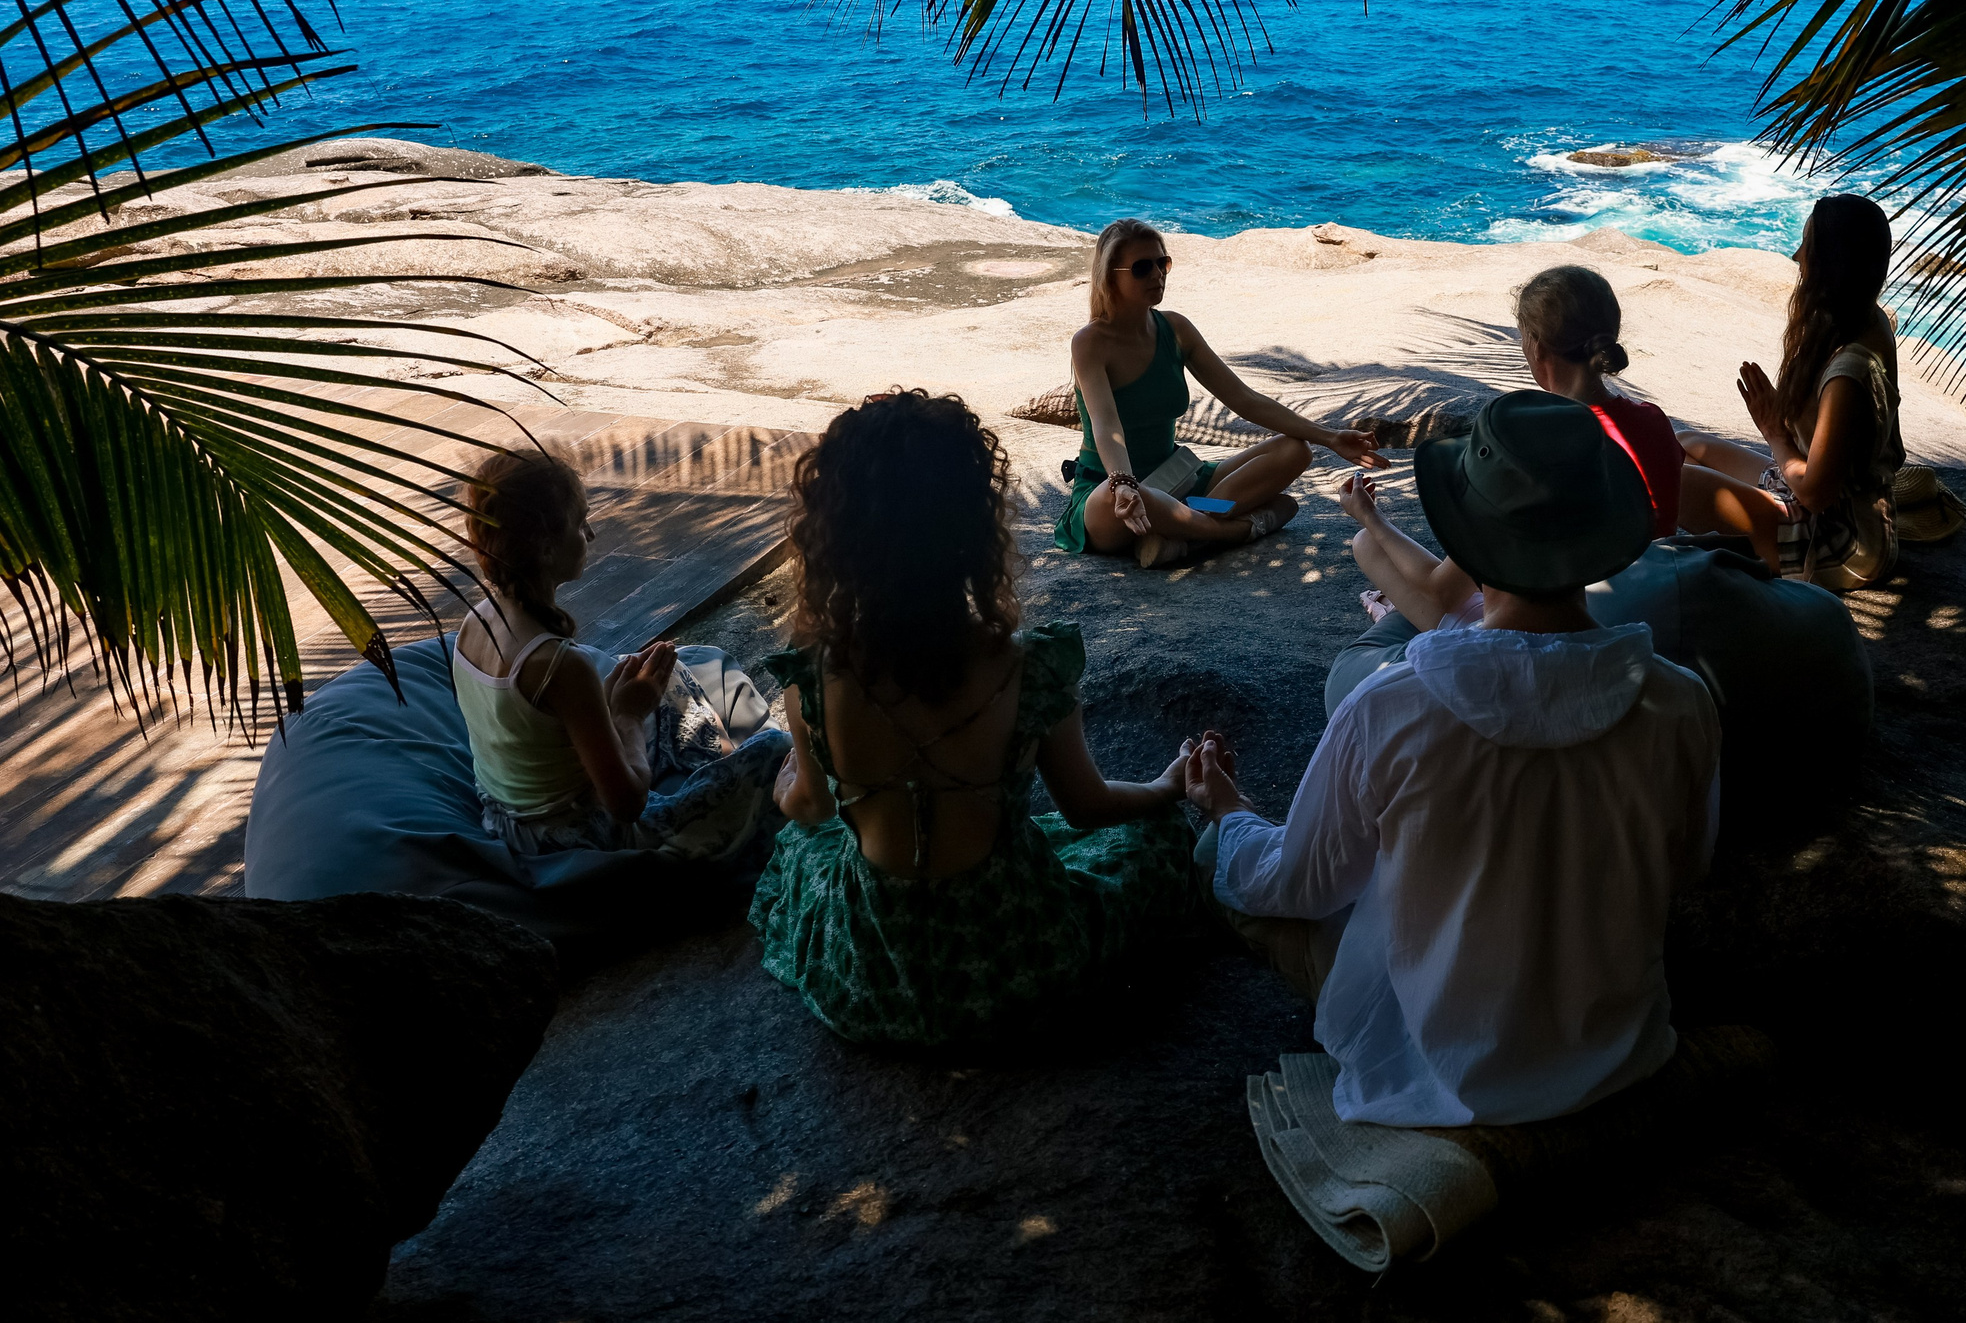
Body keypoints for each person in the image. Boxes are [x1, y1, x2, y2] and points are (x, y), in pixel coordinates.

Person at [1185, 389, 1721, 1126]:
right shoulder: (1682, 700)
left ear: (1465, 545)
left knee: (1223, 858)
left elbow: (1302, 886)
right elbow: (1686, 867)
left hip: (1437, 1068)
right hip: (1618, 1052)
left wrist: (1233, 815)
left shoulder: (1388, 708)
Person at [752, 391, 1206, 1047]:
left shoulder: (814, 674)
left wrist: (785, 781)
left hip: (870, 974)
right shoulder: (1028, 665)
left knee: (800, 848)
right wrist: (1167, 789)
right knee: (1155, 841)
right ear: (971, 530)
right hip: (1015, 960)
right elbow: (1087, 806)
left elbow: (811, 809)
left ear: (835, 535)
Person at [452, 450, 787, 858]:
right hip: (572, 835)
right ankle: (720, 781)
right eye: (580, 524)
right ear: (544, 547)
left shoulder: (476, 619)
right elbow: (627, 805)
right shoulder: (559, 666)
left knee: (672, 666)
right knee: (775, 752)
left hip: (502, 816)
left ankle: (710, 762)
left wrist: (618, 709)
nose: (590, 535)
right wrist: (626, 716)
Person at [1333, 262, 1683, 635]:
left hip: (1574, 623)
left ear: (1537, 345)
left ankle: (1398, 614)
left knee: (1368, 543)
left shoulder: (1533, 445)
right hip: (1653, 601)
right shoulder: (1651, 420)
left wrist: (1370, 516)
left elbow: (1443, 591)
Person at [1057, 217, 1388, 569]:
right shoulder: (1091, 342)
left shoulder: (1175, 328)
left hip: (1183, 483)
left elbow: (1244, 399)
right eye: (1141, 268)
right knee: (1139, 496)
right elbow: (1107, 425)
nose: (1157, 275)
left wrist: (1331, 437)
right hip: (1113, 493)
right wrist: (1123, 483)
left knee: (1295, 450)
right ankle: (1235, 530)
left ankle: (1188, 530)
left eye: (1162, 263)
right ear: (1111, 275)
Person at [1678, 193, 1907, 591]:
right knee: (1684, 443)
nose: (1797, 255)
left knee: (1675, 483)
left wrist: (1775, 434)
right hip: (1809, 499)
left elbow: (1816, 493)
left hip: (1840, 538)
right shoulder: (1866, 316)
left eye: (1808, 246)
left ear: (1831, 265)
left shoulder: (1847, 375)